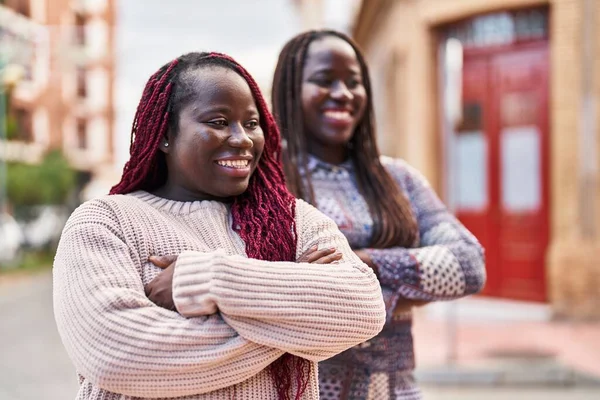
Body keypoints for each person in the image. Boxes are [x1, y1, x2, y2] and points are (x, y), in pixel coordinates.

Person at [53, 51, 386, 400]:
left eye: (252, 123)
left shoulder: (293, 220)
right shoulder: (106, 222)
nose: (242, 138)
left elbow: (362, 307)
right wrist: (295, 316)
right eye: (218, 121)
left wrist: (204, 278)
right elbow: (118, 357)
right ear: (165, 134)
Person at [272, 30, 487, 400]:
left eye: (354, 82)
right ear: (291, 90)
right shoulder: (267, 180)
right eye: (325, 81)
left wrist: (362, 264)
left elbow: (469, 264)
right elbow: (269, 293)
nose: (342, 93)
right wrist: (404, 292)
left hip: (396, 391)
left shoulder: (397, 178)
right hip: (302, 391)